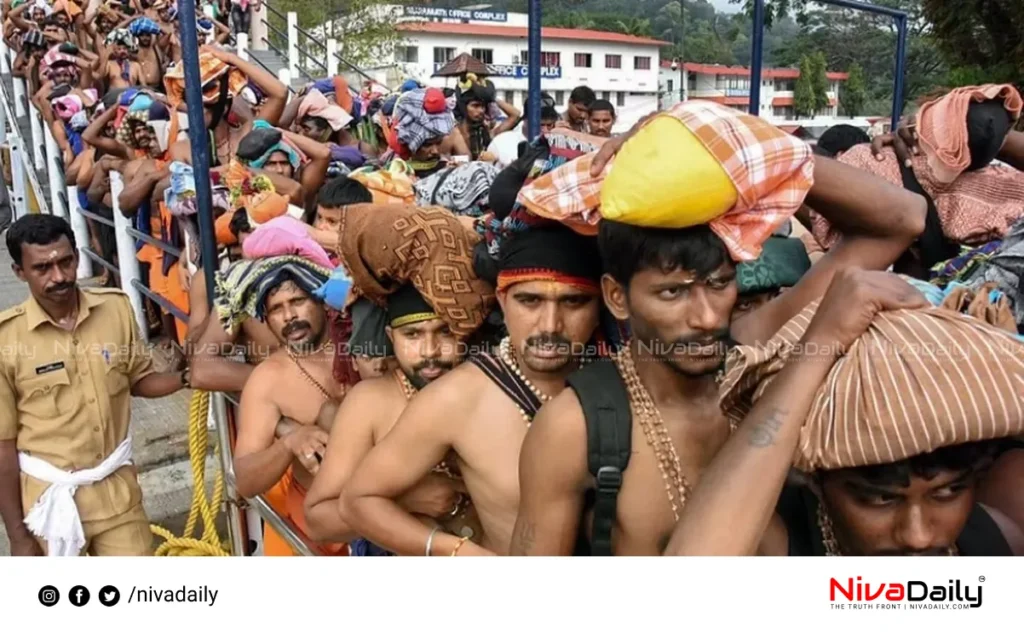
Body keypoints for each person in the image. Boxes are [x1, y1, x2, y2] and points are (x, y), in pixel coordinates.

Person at [511, 113, 927, 556]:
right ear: (617, 297)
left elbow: (903, 220)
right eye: (673, 292)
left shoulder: (754, 357)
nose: (708, 317)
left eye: (719, 283)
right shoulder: (577, 428)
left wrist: (710, 135)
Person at [662, 268, 1024, 556]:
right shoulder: (779, 547)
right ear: (818, 482)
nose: (918, 535)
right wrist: (820, 345)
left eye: (947, 492)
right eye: (879, 498)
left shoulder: (992, 545)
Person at [339, 226, 605, 555]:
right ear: (503, 302)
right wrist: (456, 551)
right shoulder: (461, 396)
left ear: (603, 305)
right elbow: (358, 500)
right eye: (530, 301)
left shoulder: (629, 383)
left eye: (574, 302)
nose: (550, 324)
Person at [0, 215, 187, 556]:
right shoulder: (6, 340)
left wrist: (186, 378)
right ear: (19, 272)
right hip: (48, 506)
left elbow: (139, 380)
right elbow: (3, 447)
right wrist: (18, 535)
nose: (59, 276)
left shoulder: (115, 309)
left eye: (66, 262)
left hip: (117, 497)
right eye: (43, 268)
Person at [303, 284, 475, 553]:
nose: (430, 351)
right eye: (413, 335)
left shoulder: (489, 389)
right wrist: (403, 502)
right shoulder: (371, 402)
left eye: (445, 332)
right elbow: (318, 520)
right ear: (391, 337)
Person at [231, 262, 346, 556]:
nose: (289, 316)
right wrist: (289, 443)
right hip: (316, 533)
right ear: (266, 320)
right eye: (276, 309)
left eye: (298, 301)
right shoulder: (267, 380)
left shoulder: (361, 349)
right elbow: (245, 480)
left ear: (322, 302)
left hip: (385, 512)